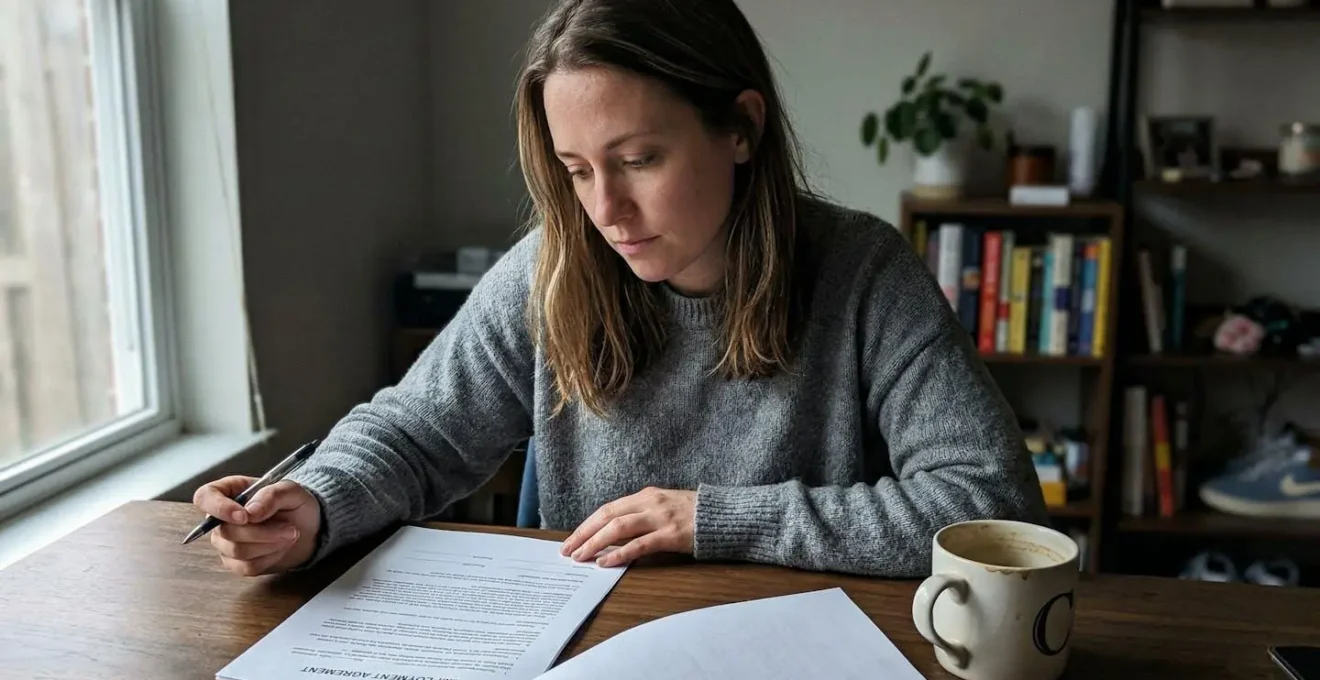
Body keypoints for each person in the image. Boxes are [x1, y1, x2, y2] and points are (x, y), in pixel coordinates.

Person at [192, 0, 1047, 580]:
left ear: (741, 128)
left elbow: (990, 504)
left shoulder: (865, 275)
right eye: (575, 171)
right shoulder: (551, 267)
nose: (605, 209)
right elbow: (417, 434)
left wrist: (716, 521)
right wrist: (315, 502)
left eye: (639, 160)